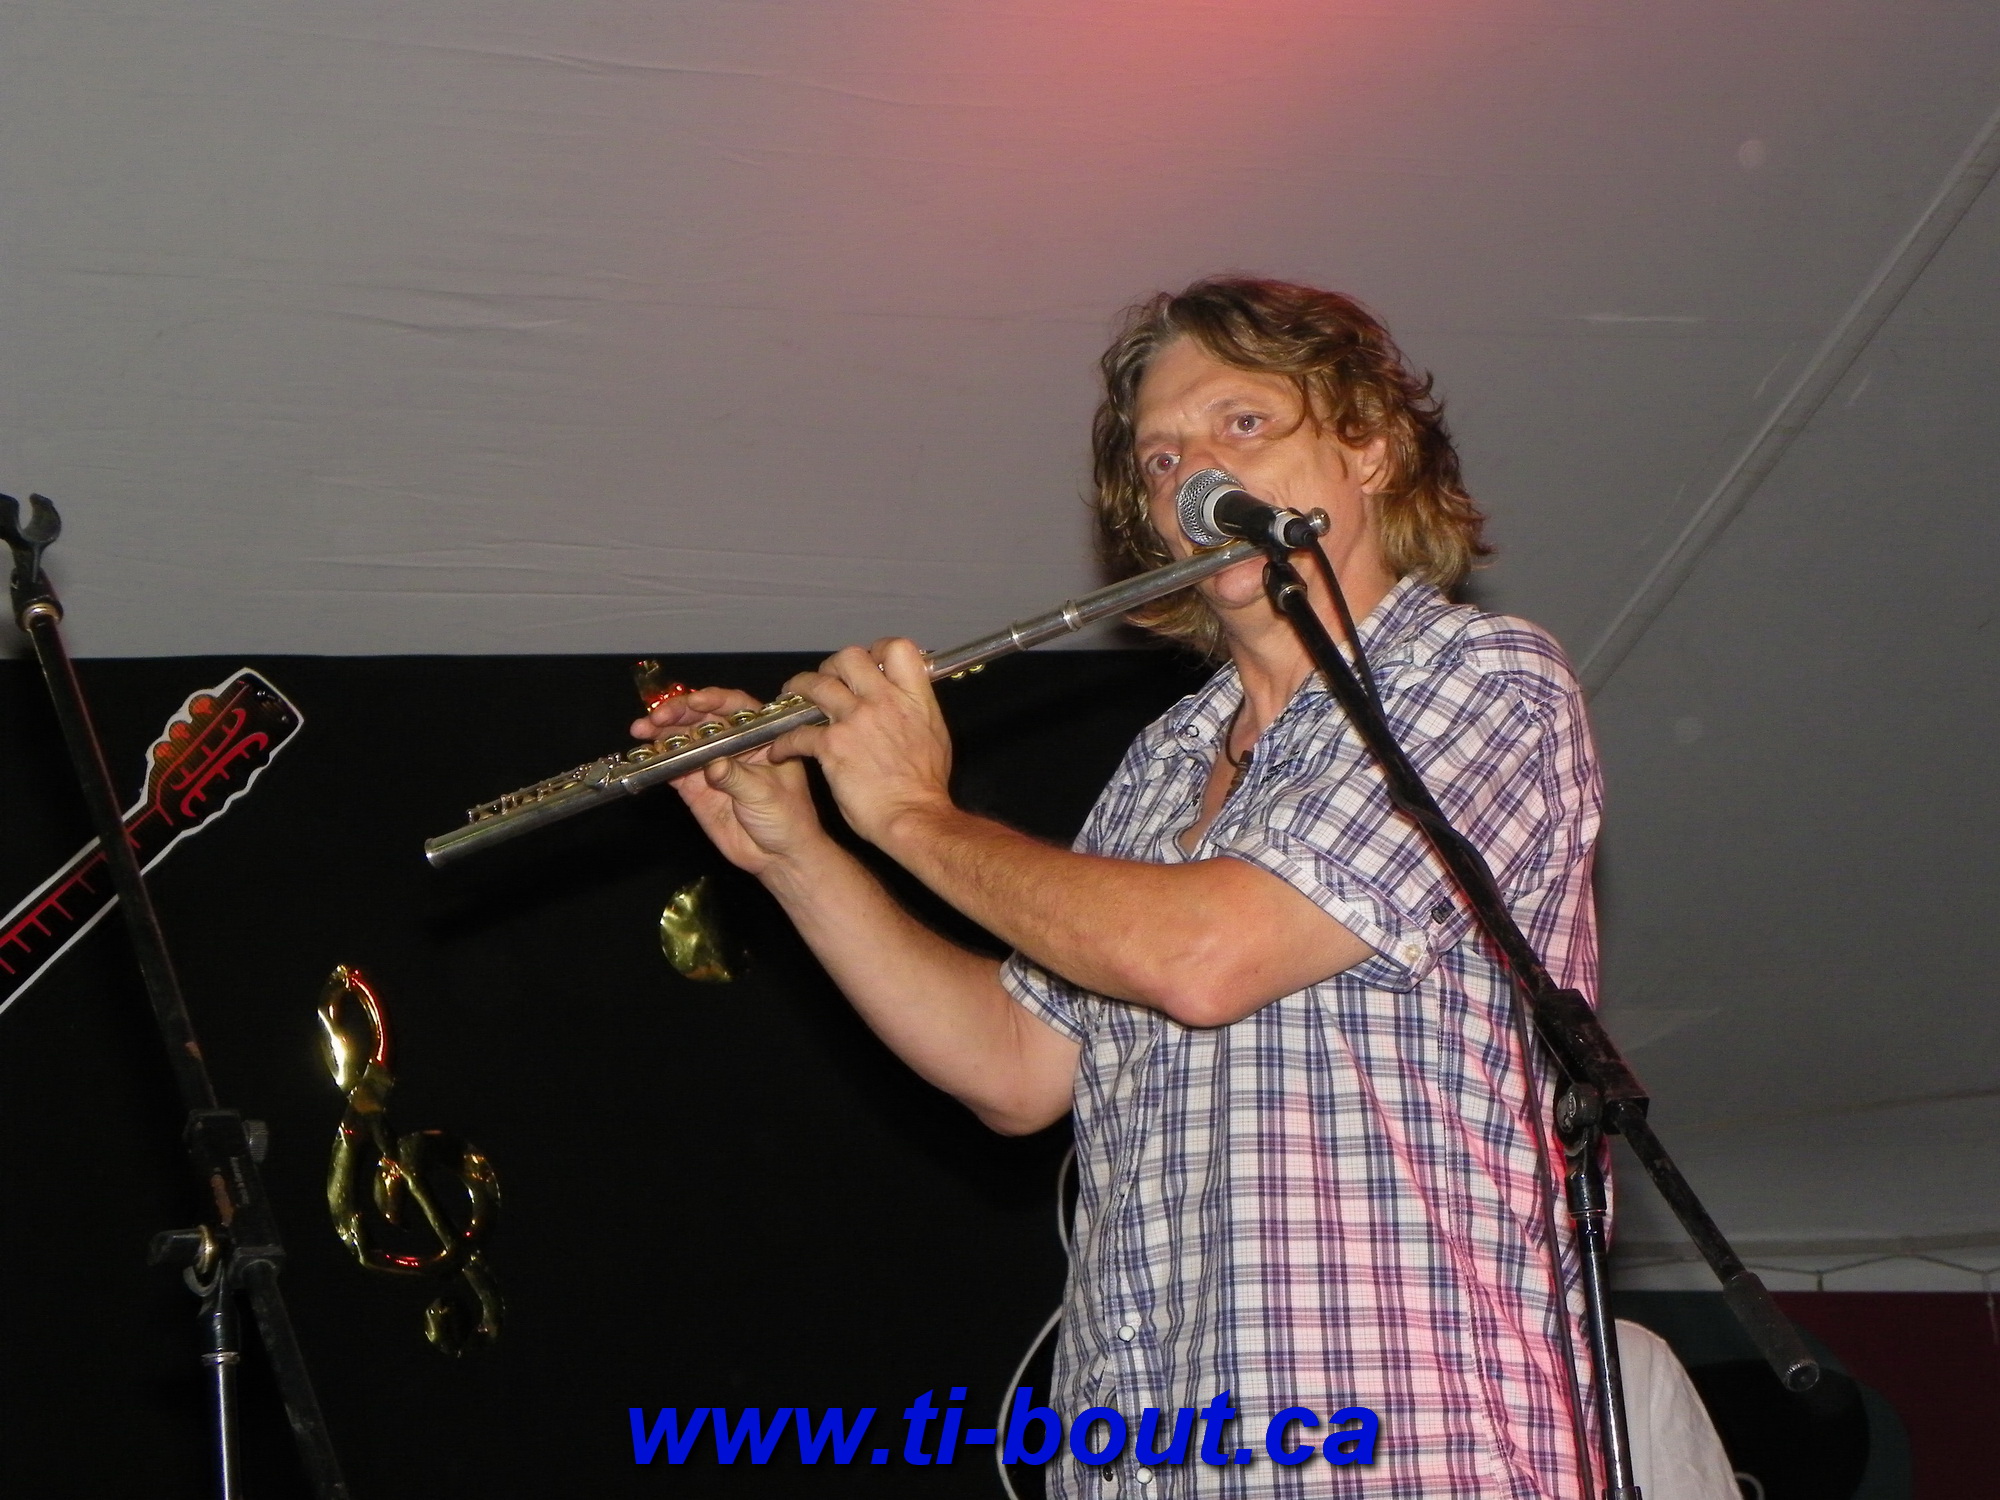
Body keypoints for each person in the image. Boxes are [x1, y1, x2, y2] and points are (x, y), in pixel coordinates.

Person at [633, 277, 1604, 1498]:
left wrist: (910, 813)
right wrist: (797, 852)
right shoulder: (1164, 763)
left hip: (1402, 1453)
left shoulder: (1477, 677)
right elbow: (1014, 1068)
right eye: (1160, 458)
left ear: (1368, 448)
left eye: (1241, 423)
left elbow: (1203, 959)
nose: (1194, 472)